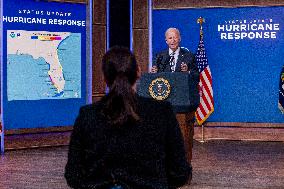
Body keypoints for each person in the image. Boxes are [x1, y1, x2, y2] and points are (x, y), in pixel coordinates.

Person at [65, 46, 192, 189]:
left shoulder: (87, 115)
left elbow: (73, 175)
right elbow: (180, 173)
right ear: (138, 72)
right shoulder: (162, 112)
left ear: (104, 77)